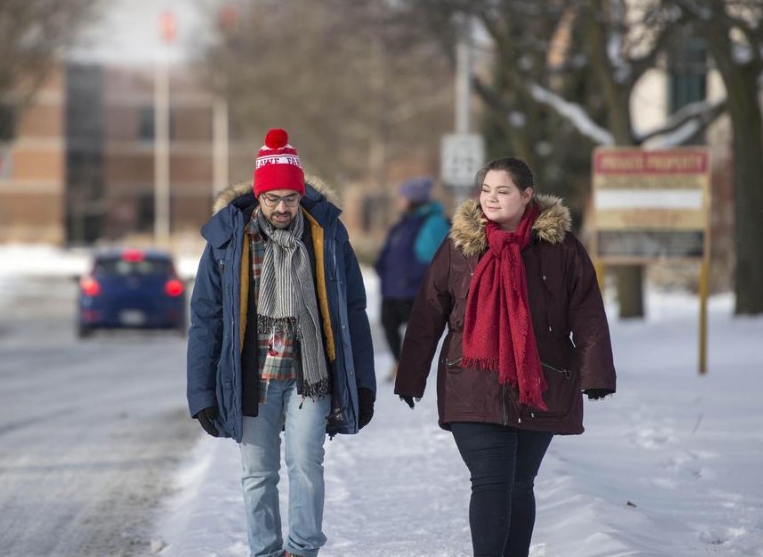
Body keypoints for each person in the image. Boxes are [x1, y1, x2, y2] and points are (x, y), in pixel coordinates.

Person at [394, 157, 616, 557]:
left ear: (527, 195)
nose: (491, 200)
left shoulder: (561, 248)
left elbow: (587, 311)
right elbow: (428, 313)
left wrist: (595, 373)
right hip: (472, 379)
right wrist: (411, 376)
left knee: (520, 484)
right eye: (485, 191)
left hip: (540, 380)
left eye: (502, 191)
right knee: (492, 480)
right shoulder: (459, 246)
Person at [187, 128, 376, 557]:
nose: (282, 207)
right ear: (258, 197)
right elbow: (206, 319)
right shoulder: (229, 241)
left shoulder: (326, 236)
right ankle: (266, 552)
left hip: (310, 374)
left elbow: (352, 312)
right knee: (258, 473)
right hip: (253, 376)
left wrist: (363, 384)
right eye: (271, 198)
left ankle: (303, 549)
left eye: (290, 198)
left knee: (306, 465)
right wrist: (201, 392)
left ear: (300, 195)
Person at [374, 176, 449, 380]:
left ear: (413, 199)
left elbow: (437, 257)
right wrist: (381, 267)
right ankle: (399, 363)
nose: (400, 200)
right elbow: (389, 251)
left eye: (403, 196)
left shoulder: (433, 222)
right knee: (388, 325)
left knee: (415, 332)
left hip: (413, 288)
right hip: (392, 288)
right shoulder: (403, 223)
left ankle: (409, 367)